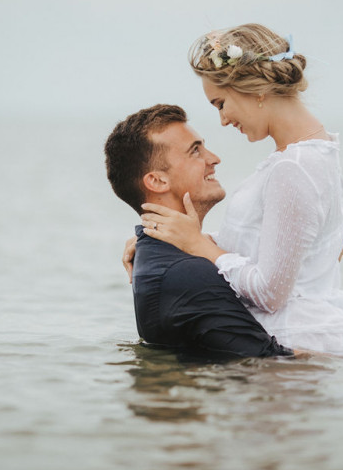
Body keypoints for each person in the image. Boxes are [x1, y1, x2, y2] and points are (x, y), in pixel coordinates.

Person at [134, 24, 343, 354]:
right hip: (295, 346)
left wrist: (198, 245)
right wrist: (165, 241)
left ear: (255, 89)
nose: (222, 120)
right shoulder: (312, 155)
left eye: (220, 103)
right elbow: (282, 252)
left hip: (291, 349)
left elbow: (270, 292)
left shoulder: (294, 168)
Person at [104, 103, 294, 359]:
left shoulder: (161, 255)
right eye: (195, 151)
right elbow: (271, 363)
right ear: (158, 181)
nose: (214, 158)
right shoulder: (188, 272)